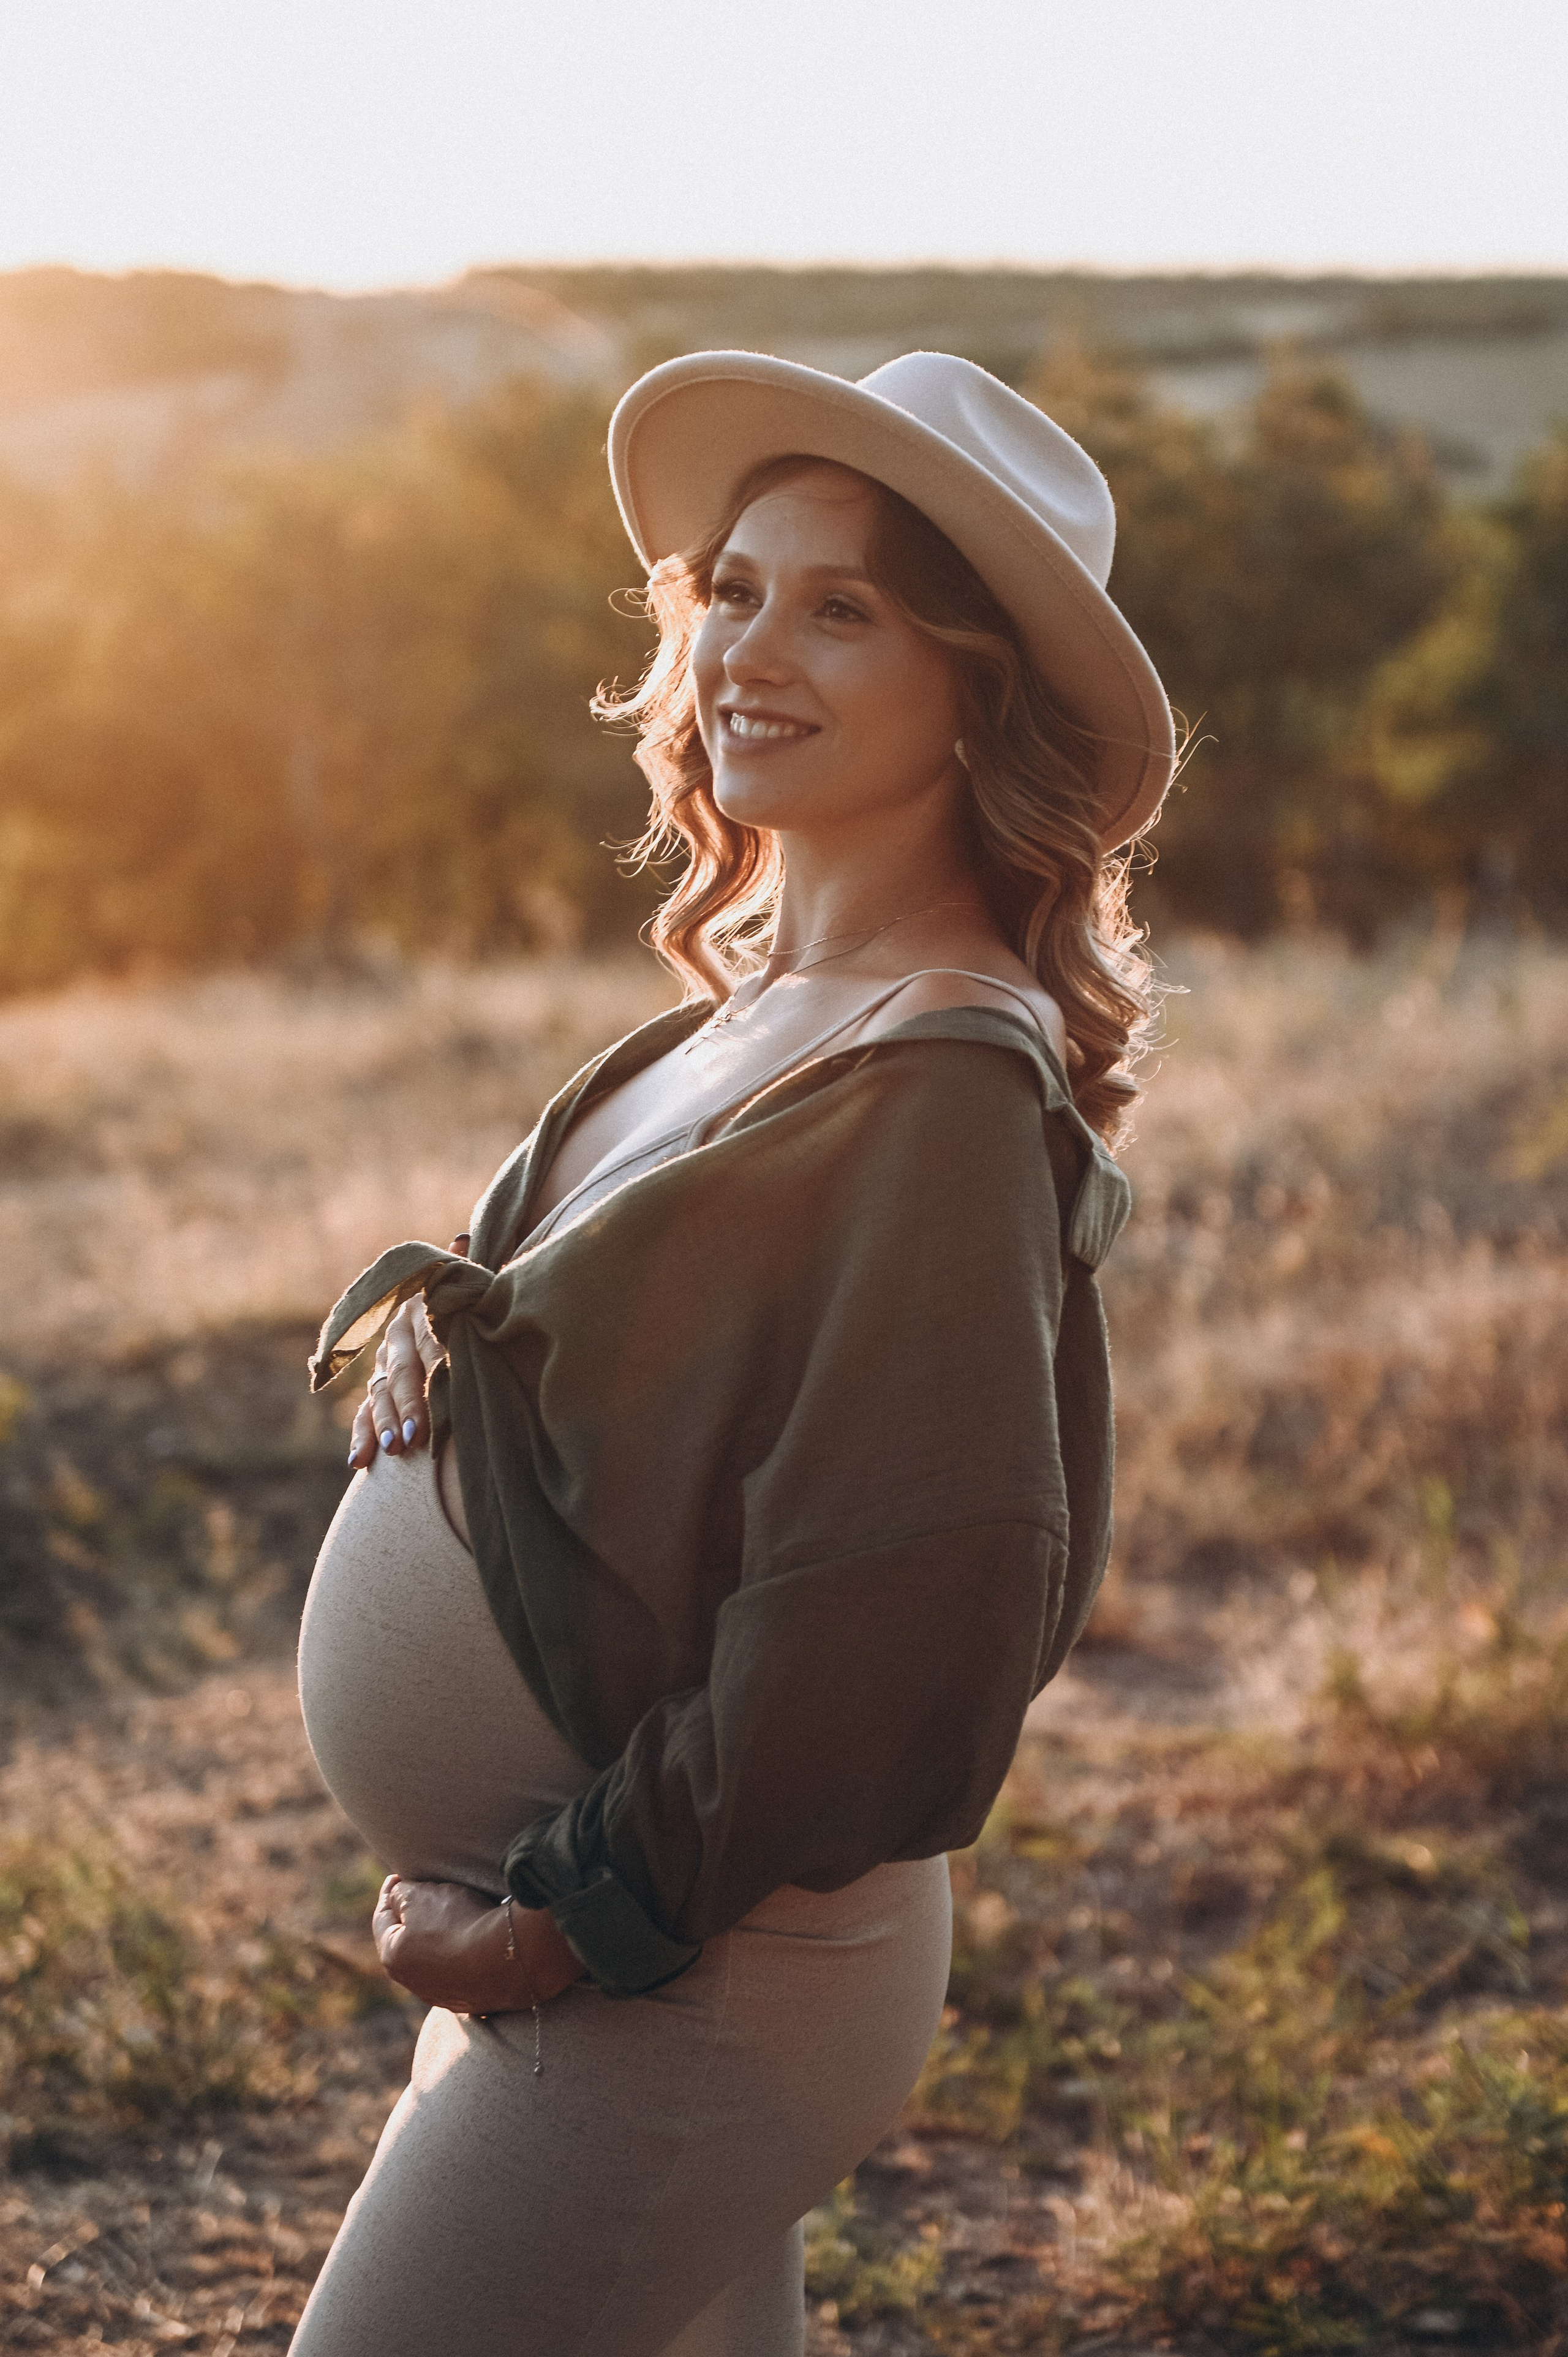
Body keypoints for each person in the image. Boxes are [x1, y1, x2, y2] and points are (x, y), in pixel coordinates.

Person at [288, 349, 1176, 2356]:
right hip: (642, 1957)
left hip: (688, 1974)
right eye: (737, 589)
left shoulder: (941, 1074)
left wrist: (557, 1922)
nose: (746, 650)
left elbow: (902, 1622)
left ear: (981, 693)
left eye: (844, 607)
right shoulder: (773, 994)